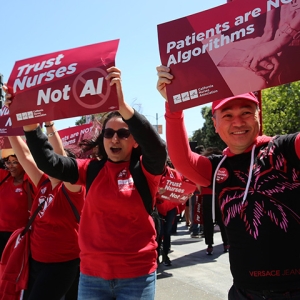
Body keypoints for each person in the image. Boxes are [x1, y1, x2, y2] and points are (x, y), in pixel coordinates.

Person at [21, 67, 167, 300]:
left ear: (135, 141)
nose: (115, 138)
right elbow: (50, 163)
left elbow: (158, 149)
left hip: (137, 277)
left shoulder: (145, 171)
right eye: (109, 133)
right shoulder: (89, 170)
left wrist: (121, 105)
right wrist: (29, 126)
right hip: (91, 277)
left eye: (123, 133)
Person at [157, 65, 300, 299]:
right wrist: (174, 107)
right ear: (215, 124)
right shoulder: (217, 168)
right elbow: (182, 160)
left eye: (246, 112)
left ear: (258, 116)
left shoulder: (286, 149)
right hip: (244, 292)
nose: (238, 122)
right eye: (227, 115)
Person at [3, 120, 85, 300]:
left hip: (62, 264)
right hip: (34, 260)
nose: (50, 163)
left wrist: (49, 125)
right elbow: (24, 156)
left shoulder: (73, 191)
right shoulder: (43, 183)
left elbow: (60, 157)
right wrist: (7, 123)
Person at [0, 148, 36, 259]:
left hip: (20, 235)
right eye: (8, 162)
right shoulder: (4, 177)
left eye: (15, 162)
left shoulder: (31, 182)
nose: (10, 166)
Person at [200, 147, 229, 255]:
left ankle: (209, 245)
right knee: (222, 220)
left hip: (207, 195)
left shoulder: (205, 164)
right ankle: (226, 243)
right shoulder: (223, 162)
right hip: (219, 194)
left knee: (208, 221)